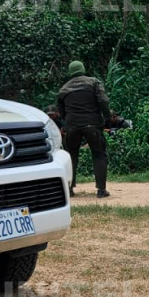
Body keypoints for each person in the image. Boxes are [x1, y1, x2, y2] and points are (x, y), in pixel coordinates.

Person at [57, 61, 112, 198]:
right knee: (99, 154)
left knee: (71, 156)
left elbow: (60, 110)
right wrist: (107, 116)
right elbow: (103, 100)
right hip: (92, 124)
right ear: (83, 69)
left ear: (70, 72)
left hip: (72, 126)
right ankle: (101, 190)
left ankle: (69, 189)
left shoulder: (64, 88)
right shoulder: (94, 82)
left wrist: (68, 122)